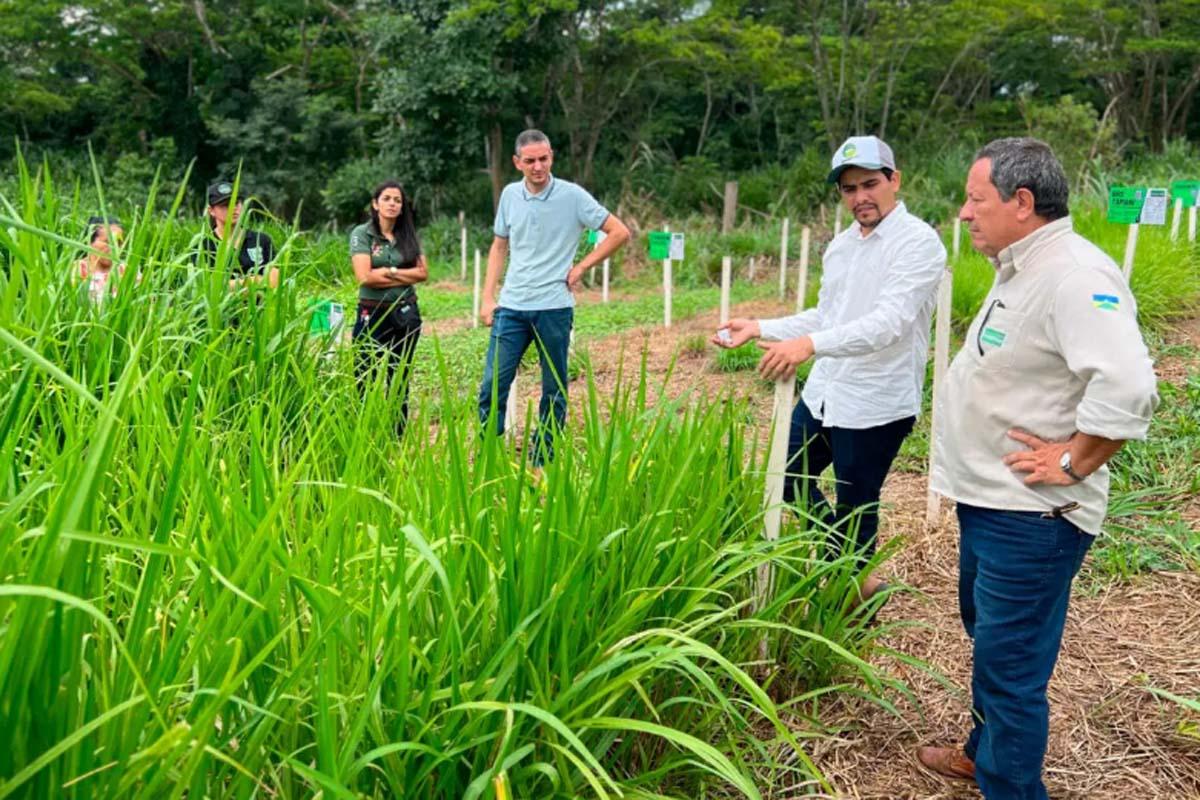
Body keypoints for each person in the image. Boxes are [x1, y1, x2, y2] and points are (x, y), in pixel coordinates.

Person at [917, 138, 1159, 799]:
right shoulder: (1022, 266)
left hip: (1032, 516)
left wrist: (1074, 458)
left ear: (1022, 203)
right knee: (992, 640)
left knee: (1011, 666)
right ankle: (983, 751)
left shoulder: (1075, 277)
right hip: (993, 502)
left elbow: (1130, 386)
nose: (963, 213)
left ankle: (1010, 784)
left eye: (976, 199)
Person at [714, 135, 945, 602]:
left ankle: (851, 602)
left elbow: (889, 323)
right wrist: (762, 326)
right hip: (826, 392)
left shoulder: (918, 243)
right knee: (784, 475)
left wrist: (811, 345)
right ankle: (856, 575)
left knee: (856, 503)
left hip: (876, 399)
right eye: (848, 189)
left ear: (894, 180)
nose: (860, 197)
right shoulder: (840, 246)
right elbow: (828, 315)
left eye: (870, 184)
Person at [477, 129, 630, 465]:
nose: (538, 166)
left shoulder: (573, 196)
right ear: (517, 162)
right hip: (512, 307)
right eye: (530, 160)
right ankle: (488, 454)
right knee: (492, 385)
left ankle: (542, 458)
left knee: (554, 389)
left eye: (543, 158)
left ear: (552, 157)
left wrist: (581, 267)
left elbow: (619, 232)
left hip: (554, 309)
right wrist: (488, 297)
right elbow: (499, 245)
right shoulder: (509, 195)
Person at [349, 180, 428, 436]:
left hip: (405, 313)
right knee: (365, 374)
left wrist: (389, 271)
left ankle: (397, 434)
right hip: (372, 312)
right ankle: (365, 431)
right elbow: (364, 276)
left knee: (399, 375)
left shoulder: (408, 235)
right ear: (376, 203)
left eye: (397, 200)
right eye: (387, 199)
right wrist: (405, 274)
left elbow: (423, 273)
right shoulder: (363, 234)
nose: (393, 204)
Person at [197, 181, 279, 289]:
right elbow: (211, 288)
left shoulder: (261, 240)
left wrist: (235, 285)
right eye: (225, 205)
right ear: (211, 211)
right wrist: (254, 281)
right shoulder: (204, 246)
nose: (233, 208)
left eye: (236, 203)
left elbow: (275, 280)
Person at [77, 216, 126, 304]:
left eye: (118, 243)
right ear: (90, 242)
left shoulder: (127, 271)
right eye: (108, 242)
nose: (115, 247)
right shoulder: (76, 270)